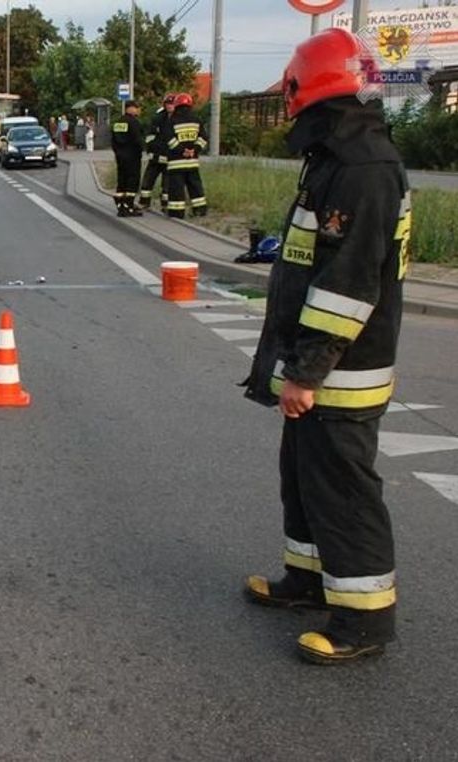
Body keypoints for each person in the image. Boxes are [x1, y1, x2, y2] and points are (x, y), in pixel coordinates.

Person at [242, 27, 411, 665]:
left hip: (344, 367)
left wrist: (307, 371)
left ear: (306, 88)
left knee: (341, 488)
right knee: (305, 477)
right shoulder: (339, 154)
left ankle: (364, 620)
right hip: (324, 363)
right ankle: (308, 581)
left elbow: (347, 285)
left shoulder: (361, 167)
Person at [160, 93, 207, 218]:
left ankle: (177, 213)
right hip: (192, 162)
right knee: (196, 187)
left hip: (176, 163)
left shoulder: (172, 121)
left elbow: (169, 140)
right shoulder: (197, 120)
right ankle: (200, 210)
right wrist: (194, 150)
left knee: (176, 190)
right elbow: (203, 138)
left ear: (177, 105)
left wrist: (182, 151)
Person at [138, 94, 175, 211]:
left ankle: (165, 205)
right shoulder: (158, 118)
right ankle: (144, 202)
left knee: (167, 183)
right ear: (164, 105)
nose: (170, 106)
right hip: (156, 155)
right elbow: (150, 136)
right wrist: (151, 149)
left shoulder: (179, 119)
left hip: (171, 157)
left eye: (172, 104)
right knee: (148, 180)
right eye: (168, 104)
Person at [110, 100, 145, 217]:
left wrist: (118, 152)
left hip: (120, 157)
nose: (138, 110)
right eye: (136, 108)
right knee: (132, 181)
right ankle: (129, 206)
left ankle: (120, 206)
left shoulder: (117, 122)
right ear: (130, 108)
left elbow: (113, 141)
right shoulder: (133, 122)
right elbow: (137, 140)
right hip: (132, 157)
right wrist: (143, 149)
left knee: (121, 180)